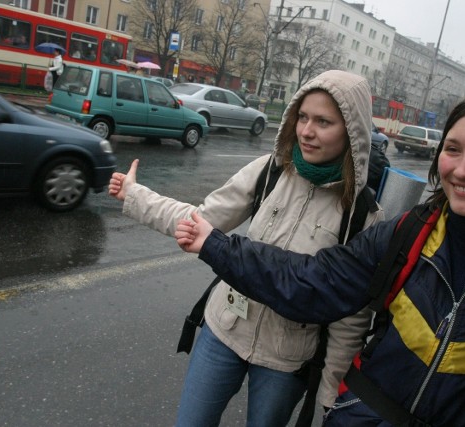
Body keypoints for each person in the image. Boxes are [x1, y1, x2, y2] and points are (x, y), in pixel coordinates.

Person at [175, 90, 465, 426]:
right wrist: (216, 244)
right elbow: (311, 282)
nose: (462, 170)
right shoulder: (410, 232)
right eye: (452, 149)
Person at [108, 70, 384, 426]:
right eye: (302, 116)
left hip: (287, 360)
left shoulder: (362, 216)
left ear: (352, 132)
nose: (306, 131)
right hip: (223, 329)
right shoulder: (269, 171)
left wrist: (332, 397)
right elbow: (199, 222)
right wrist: (135, 194)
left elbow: (350, 317)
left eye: (323, 122)